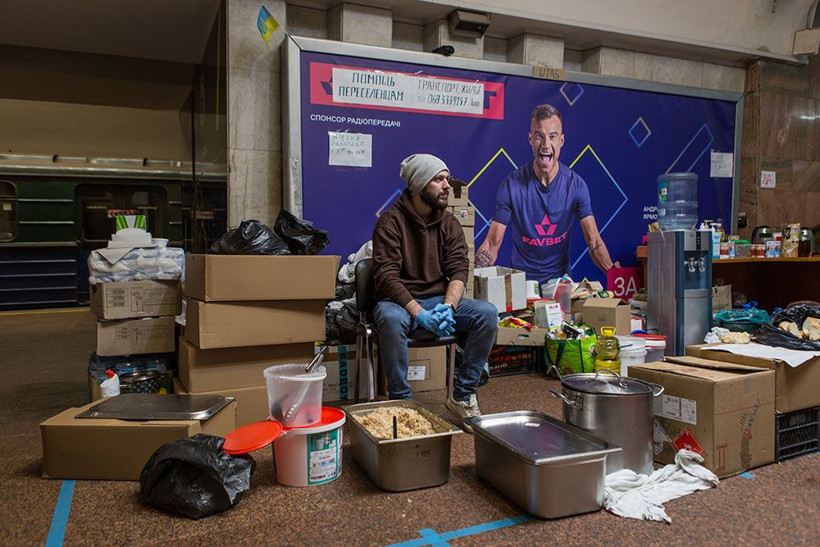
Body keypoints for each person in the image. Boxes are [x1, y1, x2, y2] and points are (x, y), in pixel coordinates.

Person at [371, 153, 498, 431]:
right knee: (390, 319)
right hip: (398, 301)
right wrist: (419, 313)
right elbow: (386, 278)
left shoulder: (449, 223)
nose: (446, 186)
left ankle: (462, 395)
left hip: (438, 300)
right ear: (419, 186)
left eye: (446, 179)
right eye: (438, 179)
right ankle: (401, 402)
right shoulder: (390, 223)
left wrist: (449, 306)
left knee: (487, 314)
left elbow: (459, 269)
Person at [476, 104, 618, 286]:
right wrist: (470, 282)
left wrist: (614, 275)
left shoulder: (576, 185)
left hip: (560, 285)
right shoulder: (511, 185)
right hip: (522, 285)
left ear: (561, 141)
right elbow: (492, 243)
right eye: (539, 136)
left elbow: (593, 240)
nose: (545, 144)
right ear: (530, 139)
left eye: (552, 137)